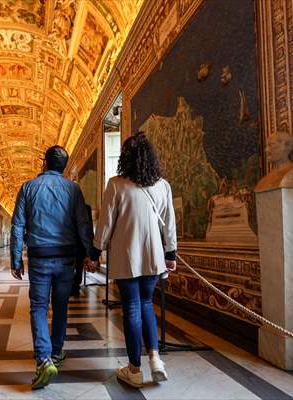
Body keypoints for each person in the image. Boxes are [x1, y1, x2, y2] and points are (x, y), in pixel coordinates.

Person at [86, 133, 177, 388]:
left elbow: (105, 224)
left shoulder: (116, 184)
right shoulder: (163, 185)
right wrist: (170, 254)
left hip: (126, 257)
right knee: (147, 304)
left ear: (125, 158)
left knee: (132, 309)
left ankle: (134, 369)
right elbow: (169, 224)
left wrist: (95, 252)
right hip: (153, 256)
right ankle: (156, 359)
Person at [10, 145, 93, 389]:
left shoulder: (28, 187)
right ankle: (56, 352)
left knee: (37, 307)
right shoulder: (73, 189)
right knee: (60, 306)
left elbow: (17, 226)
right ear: (64, 166)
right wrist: (90, 253)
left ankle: (44, 360)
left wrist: (16, 259)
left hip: (39, 258)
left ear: (44, 163)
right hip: (67, 258)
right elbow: (82, 224)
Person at [71, 204, 93, 297]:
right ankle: (74, 285)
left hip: (78, 241)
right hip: (76, 240)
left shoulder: (86, 207)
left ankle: (75, 285)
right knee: (76, 264)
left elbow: (90, 225)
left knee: (78, 264)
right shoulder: (86, 207)